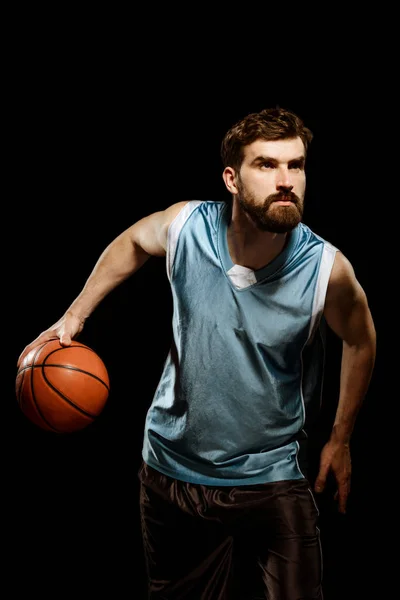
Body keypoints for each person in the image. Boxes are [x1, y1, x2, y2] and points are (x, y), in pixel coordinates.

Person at [17, 107, 376, 600]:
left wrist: (341, 439)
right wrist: (75, 316)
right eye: (267, 165)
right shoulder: (188, 227)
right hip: (171, 471)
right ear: (231, 178)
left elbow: (361, 339)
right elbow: (133, 243)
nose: (287, 180)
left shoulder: (326, 270)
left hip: (269, 475)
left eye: (296, 165)